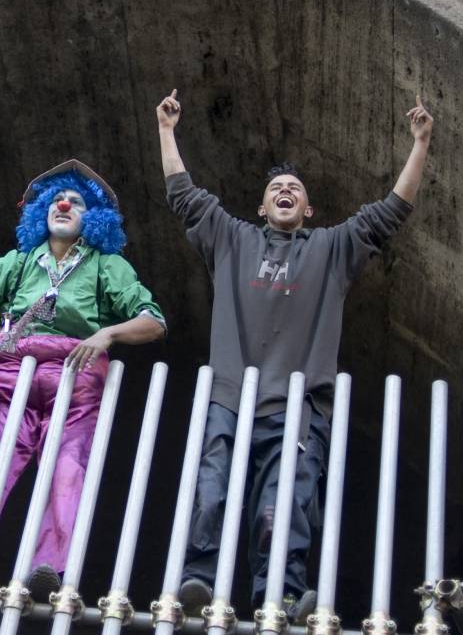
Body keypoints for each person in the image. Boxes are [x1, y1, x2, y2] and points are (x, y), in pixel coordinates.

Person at [155, 89, 434, 621]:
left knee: (281, 505)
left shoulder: (330, 249)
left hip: (298, 407)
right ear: (262, 207)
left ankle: (279, 594)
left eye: (295, 190)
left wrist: (420, 144)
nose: (285, 191)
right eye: (276, 188)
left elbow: (389, 214)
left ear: (308, 209)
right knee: (210, 492)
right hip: (231, 397)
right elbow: (184, 196)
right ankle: (198, 580)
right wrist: (167, 132)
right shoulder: (232, 238)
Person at [0, 160, 166, 601]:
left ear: (93, 218)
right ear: (40, 211)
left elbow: (153, 320)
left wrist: (107, 333)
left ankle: (47, 567)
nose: (63, 204)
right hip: (10, 372)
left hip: (74, 375)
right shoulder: (18, 263)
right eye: (57, 200)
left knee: (68, 471)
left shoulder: (106, 265)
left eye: (76, 202)